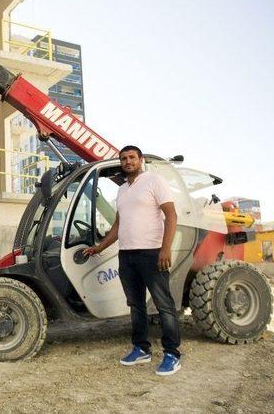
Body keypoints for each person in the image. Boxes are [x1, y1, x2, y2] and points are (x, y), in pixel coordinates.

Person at [83, 145, 181, 376]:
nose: (128, 162)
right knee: (135, 305)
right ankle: (141, 348)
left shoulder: (154, 180)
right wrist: (99, 247)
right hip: (127, 255)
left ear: (140, 160)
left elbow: (171, 215)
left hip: (151, 252)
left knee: (164, 304)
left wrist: (165, 248)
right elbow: (118, 225)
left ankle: (172, 354)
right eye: (124, 159)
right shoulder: (123, 190)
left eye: (132, 158)